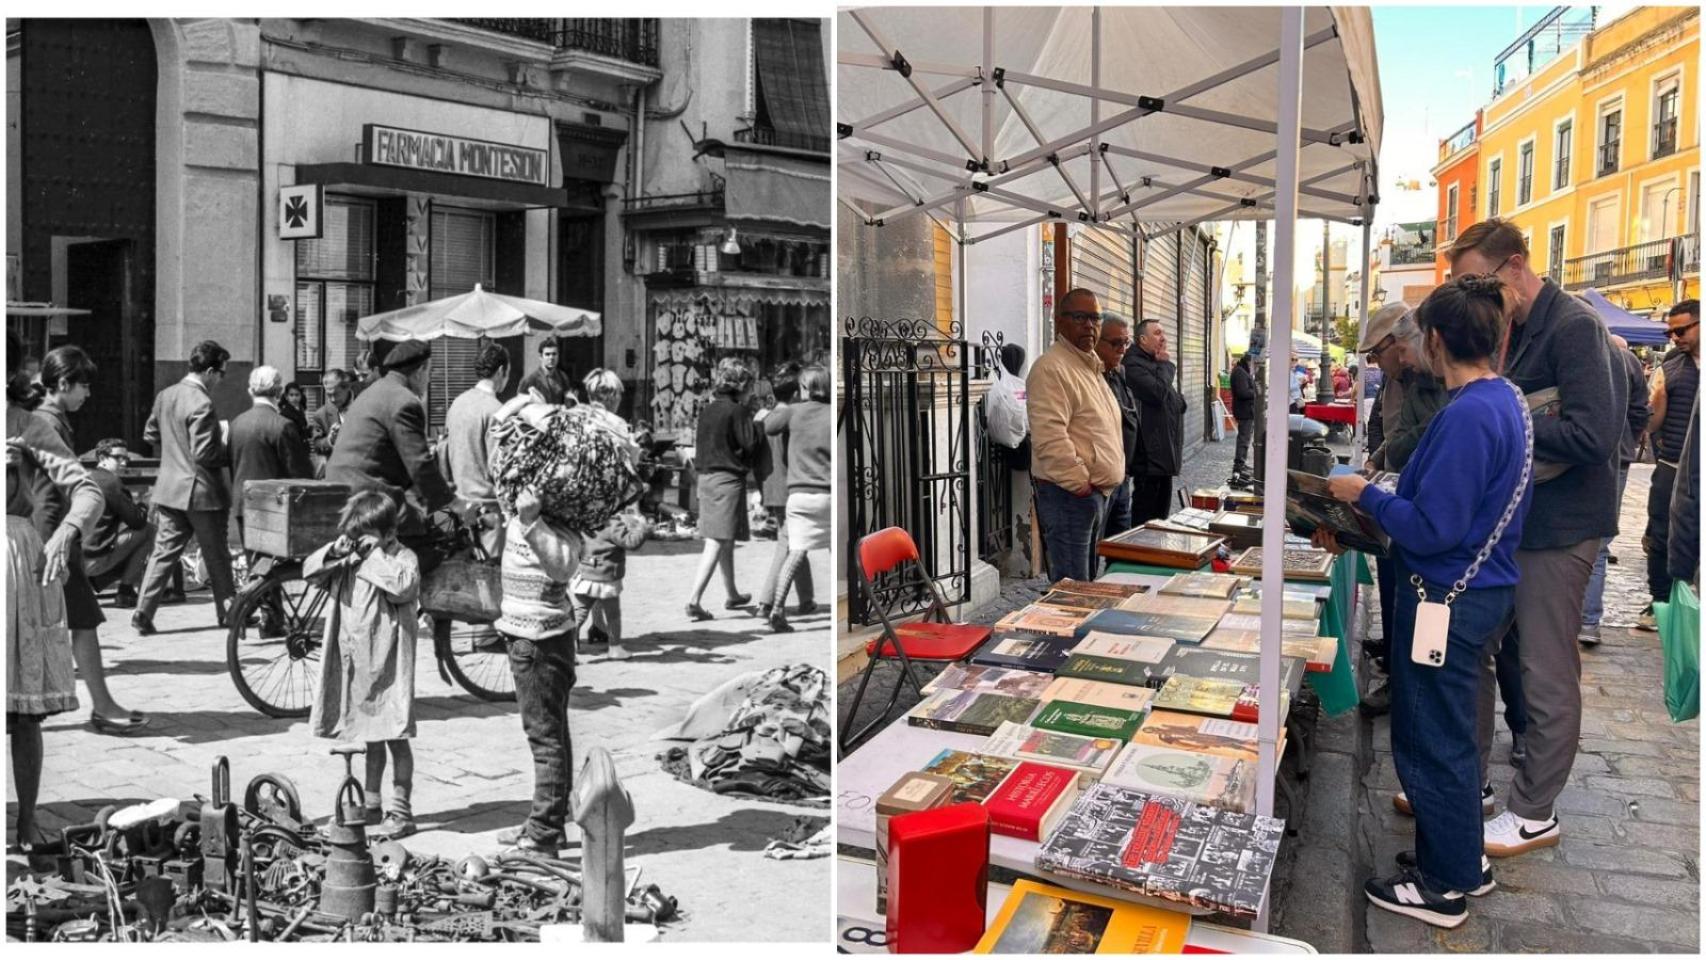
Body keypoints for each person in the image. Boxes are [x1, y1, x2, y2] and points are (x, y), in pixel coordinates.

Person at [1323, 274, 1534, 929]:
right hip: (1476, 590)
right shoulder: (1506, 399)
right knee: (1447, 736)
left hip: (1447, 597)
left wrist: (1367, 496)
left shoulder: (1470, 413)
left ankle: (1443, 884)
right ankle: (1462, 860)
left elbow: (1433, 525)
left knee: (1431, 738)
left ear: (1436, 339)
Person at [1448, 218, 1621, 860]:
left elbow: (1594, 435)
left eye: (1479, 280)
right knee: (1476, 650)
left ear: (1515, 266)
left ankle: (1534, 811)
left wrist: (1509, 422)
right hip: (1518, 523)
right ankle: (1474, 786)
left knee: (1545, 670)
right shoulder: (1511, 325)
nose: (1474, 294)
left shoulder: (1574, 326)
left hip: (1561, 528)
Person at [31, 348, 149, 734]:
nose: (88, 393)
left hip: (49, 534)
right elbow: (53, 491)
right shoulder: (48, 422)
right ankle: (103, 706)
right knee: (82, 620)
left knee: (79, 620)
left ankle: (102, 705)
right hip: (52, 537)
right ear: (62, 384)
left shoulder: (47, 417)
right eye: (83, 385)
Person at [8, 407, 106, 866]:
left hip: (14, 561)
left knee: (22, 710)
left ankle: (27, 820)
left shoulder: (26, 424)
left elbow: (85, 489)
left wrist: (69, 530)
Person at [490, 400, 585, 853]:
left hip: (539, 637)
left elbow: (564, 566)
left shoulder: (553, 512)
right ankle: (548, 819)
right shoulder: (530, 500)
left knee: (544, 738)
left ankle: (544, 832)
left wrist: (530, 521)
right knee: (553, 733)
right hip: (532, 634)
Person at [303, 491, 422, 839]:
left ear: (388, 533)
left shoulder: (402, 558)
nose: (359, 543)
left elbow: (403, 586)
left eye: (366, 536)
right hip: (356, 663)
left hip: (389, 665)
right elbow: (310, 572)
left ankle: (401, 809)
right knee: (369, 736)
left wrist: (375, 556)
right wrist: (336, 552)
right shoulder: (351, 558)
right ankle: (371, 804)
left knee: (395, 736)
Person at [133, 341, 238, 636]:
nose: (220, 379)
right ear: (208, 371)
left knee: (163, 552)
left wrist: (174, 443)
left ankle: (143, 610)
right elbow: (205, 454)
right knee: (216, 554)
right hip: (202, 492)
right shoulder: (202, 403)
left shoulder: (166, 395)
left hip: (169, 489)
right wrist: (225, 441)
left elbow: (149, 433)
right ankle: (229, 613)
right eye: (220, 373)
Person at [1027, 289, 1123, 582]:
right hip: (1069, 496)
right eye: (1080, 317)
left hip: (1094, 494)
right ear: (1060, 322)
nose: (1089, 326)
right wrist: (1079, 483)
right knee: (1073, 590)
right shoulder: (1052, 368)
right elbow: (1049, 437)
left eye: (1095, 318)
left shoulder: (1089, 366)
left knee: (1085, 584)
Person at [325, 340, 455, 551]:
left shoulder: (375, 391)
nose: (429, 380)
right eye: (430, 372)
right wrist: (453, 503)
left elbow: (386, 454)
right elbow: (419, 463)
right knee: (430, 543)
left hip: (343, 487)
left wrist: (434, 489)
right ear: (420, 370)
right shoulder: (404, 401)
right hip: (364, 496)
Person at [569, 369, 650, 660]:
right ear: (611, 396)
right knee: (606, 563)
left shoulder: (576, 418)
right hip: (607, 503)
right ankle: (605, 634)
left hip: (579, 505)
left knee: (589, 562)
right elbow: (631, 464)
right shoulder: (615, 424)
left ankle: (598, 628)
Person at [1579, 334, 1650, 646]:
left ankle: (1579, 619)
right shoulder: (1626, 359)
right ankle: (1588, 622)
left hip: (1579, 457)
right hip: (1616, 458)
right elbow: (1640, 412)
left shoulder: (1569, 352)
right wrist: (1627, 444)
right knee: (1599, 543)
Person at [684, 358, 763, 621]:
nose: (752, 392)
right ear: (741, 387)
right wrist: (757, 420)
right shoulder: (737, 412)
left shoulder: (709, 409)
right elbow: (750, 444)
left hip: (706, 478)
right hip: (726, 479)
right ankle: (694, 598)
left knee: (724, 539)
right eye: (750, 387)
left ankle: (732, 593)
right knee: (717, 540)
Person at [1639, 300, 1698, 631]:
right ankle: (1661, 603)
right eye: (1670, 331)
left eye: (1681, 329)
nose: (1674, 337)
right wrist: (1655, 402)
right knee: (1660, 537)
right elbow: (1652, 423)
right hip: (1672, 466)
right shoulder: (1670, 368)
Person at [762, 365, 832, 634]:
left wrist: (786, 409)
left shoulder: (793, 412)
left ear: (804, 389)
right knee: (835, 550)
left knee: (796, 551)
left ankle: (778, 607)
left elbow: (769, 426)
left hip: (799, 496)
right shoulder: (829, 413)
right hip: (826, 494)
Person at [756, 362, 815, 621]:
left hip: (771, 486)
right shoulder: (791, 418)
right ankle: (766, 601)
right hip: (790, 487)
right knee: (787, 544)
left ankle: (806, 598)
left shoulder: (764, 417)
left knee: (796, 541)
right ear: (793, 394)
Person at [444, 343, 511, 555]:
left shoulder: (457, 403)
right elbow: (499, 469)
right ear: (501, 371)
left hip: (458, 507)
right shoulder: (496, 411)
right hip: (488, 513)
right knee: (489, 581)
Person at [1124, 318, 1188, 524]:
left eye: (1163, 333)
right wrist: (1167, 365)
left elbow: (1176, 402)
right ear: (1142, 339)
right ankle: (1137, 555)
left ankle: (1154, 555)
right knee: (1144, 518)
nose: (1164, 338)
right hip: (1148, 458)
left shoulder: (1154, 363)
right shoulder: (1133, 364)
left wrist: (1179, 401)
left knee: (1161, 518)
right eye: (1157, 333)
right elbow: (1159, 393)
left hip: (1164, 457)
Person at [83, 439, 156, 609]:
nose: (124, 463)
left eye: (126, 458)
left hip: (77, 557)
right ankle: (125, 591)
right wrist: (145, 503)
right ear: (102, 457)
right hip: (94, 558)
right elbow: (137, 521)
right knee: (148, 530)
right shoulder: (111, 483)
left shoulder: (88, 478)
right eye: (118, 458)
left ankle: (106, 581)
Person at [1095, 313, 1139, 539]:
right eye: (1116, 343)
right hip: (1100, 480)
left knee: (1120, 542)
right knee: (1092, 548)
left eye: (1126, 342)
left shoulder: (1118, 373)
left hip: (1123, 475)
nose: (1122, 349)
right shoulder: (1092, 377)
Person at [310, 368, 354, 472]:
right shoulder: (321, 415)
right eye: (329, 395)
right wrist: (329, 440)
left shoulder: (364, 404)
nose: (333, 399)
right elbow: (317, 444)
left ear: (347, 387)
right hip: (338, 471)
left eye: (336, 394)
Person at [517, 338, 576, 407]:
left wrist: (570, 400)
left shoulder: (562, 377)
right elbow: (520, 404)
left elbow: (568, 403)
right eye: (547, 354)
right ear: (540, 357)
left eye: (554, 354)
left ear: (558, 356)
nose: (551, 357)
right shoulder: (530, 379)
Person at [1230, 352, 1257, 477]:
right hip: (1244, 411)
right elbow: (1243, 392)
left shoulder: (1242, 371)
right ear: (1249, 362)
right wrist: (1256, 391)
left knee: (1245, 438)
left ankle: (1241, 463)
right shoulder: (1240, 372)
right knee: (1243, 439)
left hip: (1246, 410)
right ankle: (1239, 465)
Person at [279, 381, 313, 460]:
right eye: (291, 395)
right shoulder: (286, 413)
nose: (294, 398)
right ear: (286, 397)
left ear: (301, 396)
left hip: (303, 449)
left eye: (297, 395)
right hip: (293, 451)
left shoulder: (300, 409)